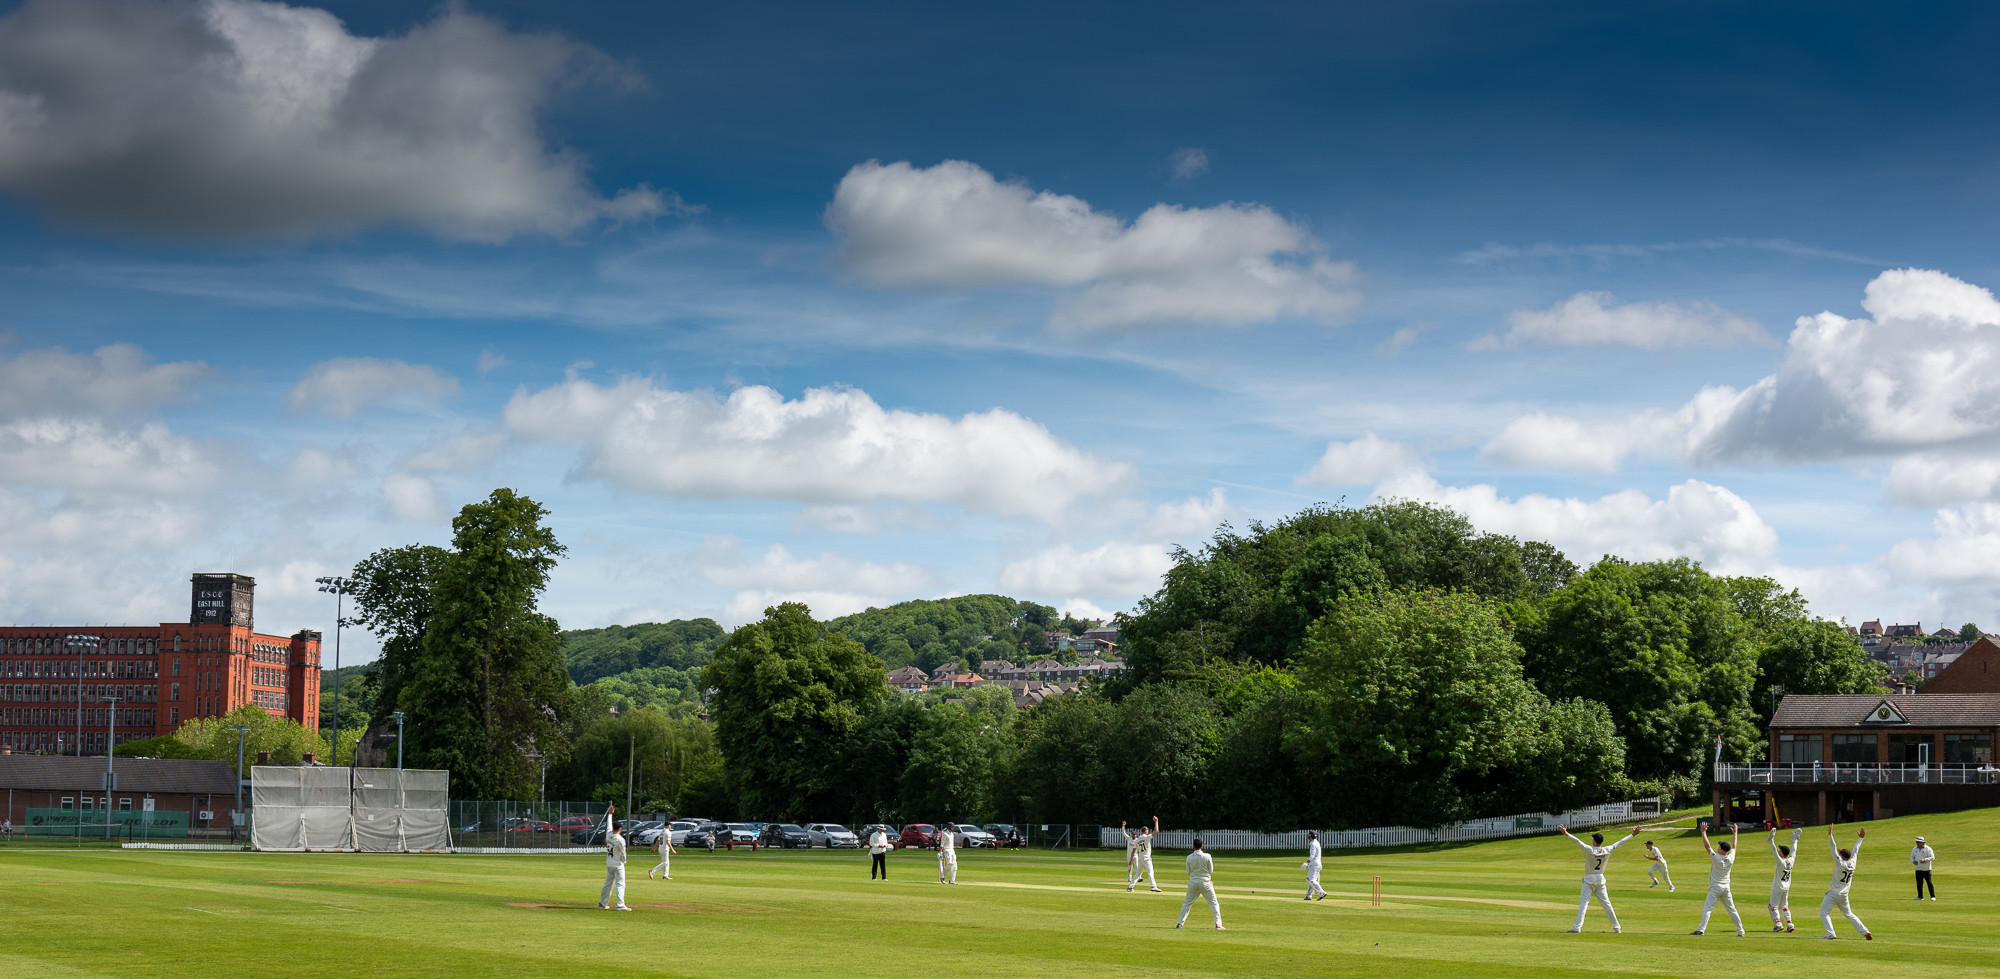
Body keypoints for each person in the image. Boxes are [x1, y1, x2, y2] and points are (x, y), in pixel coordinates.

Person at [1560, 823, 1640, 933]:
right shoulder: (1608, 849)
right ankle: (1617, 928)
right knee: (1607, 904)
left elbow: (1578, 842)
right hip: (1600, 879)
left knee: (1584, 904)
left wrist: (1566, 833)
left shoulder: (1589, 849)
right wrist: (1633, 835)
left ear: (1594, 841)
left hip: (1589, 879)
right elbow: (1620, 843)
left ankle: (1577, 928)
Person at [1691, 821, 1744, 937]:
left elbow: (1707, 847)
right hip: (1726, 888)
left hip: (1715, 887)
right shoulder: (1730, 858)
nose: (1718, 847)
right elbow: (1734, 846)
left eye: (1719, 846)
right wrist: (1735, 833)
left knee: (1707, 909)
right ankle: (1741, 931)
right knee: (1732, 910)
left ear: (1721, 849)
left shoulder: (1717, 858)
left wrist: (1703, 832)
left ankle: (1701, 930)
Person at [1819, 825, 1871, 940]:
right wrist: (1861, 838)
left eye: (1840, 854)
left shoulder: (1840, 863)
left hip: (1833, 894)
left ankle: (1831, 933)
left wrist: (1830, 835)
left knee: (1823, 913)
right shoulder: (1853, 863)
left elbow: (1833, 848)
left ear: (1841, 856)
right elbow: (1856, 850)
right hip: (1844, 895)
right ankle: (1866, 932)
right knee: (1849, 914)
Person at [1175, 838, 1223, 930]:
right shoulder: (1207, 856)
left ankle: (1179, 924)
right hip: (1205, 882)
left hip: (1193, 883)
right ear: (1202, 846)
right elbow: (1211, 871)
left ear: (1193, 846)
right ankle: (1218, 924)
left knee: (1187, 904)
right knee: (1214, 903)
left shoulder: (1189, 857)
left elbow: (1188, 872)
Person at [1767, 825, 1801, 932]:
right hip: (1786, 888)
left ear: (1782, 853)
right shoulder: (1791, 861)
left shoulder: (1781, 862)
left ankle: (1778, 924)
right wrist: (1795, 840)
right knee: (1784, 906)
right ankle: (1790, 924)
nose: (1779, 851)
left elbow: (1774, 852)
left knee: (1773, 906)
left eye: (1780, 850)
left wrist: (1771, 841)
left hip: (1777, 887)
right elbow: (1794, 851)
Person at [598, 806, 631, 911]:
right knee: (620, 884)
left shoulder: (608, 834)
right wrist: (624, 861)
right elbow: (623, 852)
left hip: (609, 863)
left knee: (608, 884)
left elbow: (608, 824)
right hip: (618, 864)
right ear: (620, 829)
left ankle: (602, 903)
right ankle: (620, 905)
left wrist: (610, 814)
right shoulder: (620, 839)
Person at [1125, 817, 1160, 892]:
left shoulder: (1137, 840)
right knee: (1150, 872)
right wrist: (1156, 821)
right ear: (1146, 831)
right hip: (1146, 858)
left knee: (1138, 874)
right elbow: (1156, 831)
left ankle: (1130, 887)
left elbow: (1133, 851)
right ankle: (1153, 886)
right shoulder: (1147, 837)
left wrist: (1131, 861)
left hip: (1140, 858)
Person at [1303, 830, 1327, 901]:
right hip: (1318, 863)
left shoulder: (1313, 844)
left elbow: (1312, 855)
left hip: (1313, 864)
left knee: (1311, 880)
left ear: (1310, 837)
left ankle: (1322, 892)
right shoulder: (1317, 843)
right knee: (1311, 880)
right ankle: (1308, 895)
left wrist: (1307, 862)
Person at [1910, 835, 1935, 901]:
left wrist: (1925, 860)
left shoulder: (1928, 848)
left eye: (1918, 842)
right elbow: (1911, 856)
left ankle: (1932, 896)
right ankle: (1920, 896)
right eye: (1916, 842)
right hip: (1918, 868)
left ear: (1922, 842)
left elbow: (1932, 857)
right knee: (1919, 883)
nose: (1917, 843)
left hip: (1926, 869)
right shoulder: (1915, 849)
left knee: (1929, 883)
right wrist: (1913, 861)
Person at [937, 820, 958, 884]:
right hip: (947, 850)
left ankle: (952, 881)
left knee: (955, 866)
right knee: (949, 863)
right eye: (952, 827)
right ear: (949, 827)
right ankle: (942, 877)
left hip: (952, 850)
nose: (953, 828)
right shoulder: (945, 834)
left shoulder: (952, 834)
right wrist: (940, 852)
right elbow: (942, 844)